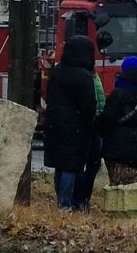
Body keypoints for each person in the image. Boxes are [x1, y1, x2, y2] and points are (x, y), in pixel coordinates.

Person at [43, 36, 100, 210]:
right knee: (72, 165)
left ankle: (61, 200)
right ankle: (66, 203)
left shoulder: (57, 72)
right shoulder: (84, 76)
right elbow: (89, 105)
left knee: (60, 165)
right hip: (76, 126)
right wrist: (91, 124)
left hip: (54, 123)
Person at [97, 55, 137, 186]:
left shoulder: (117, 94)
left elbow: (107, 119)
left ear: (124, 71)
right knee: (136, 185)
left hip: (117, 148)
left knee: (118, 186)